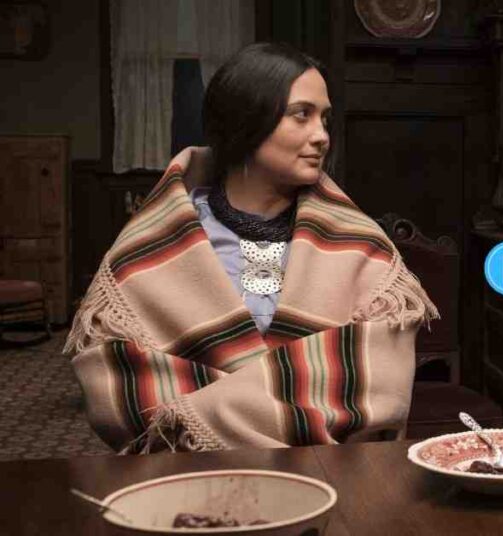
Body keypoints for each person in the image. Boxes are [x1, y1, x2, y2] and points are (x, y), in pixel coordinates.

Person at [67, 43, 437, 453]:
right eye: (302, 115)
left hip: (330, 473)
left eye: (325, 119)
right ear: (248, 118)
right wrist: (280, 401)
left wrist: (211, 408)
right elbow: (119, 387)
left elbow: (378, 383)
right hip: (185, 474)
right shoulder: (156, 244)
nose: (321, 136)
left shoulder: (360, 246)